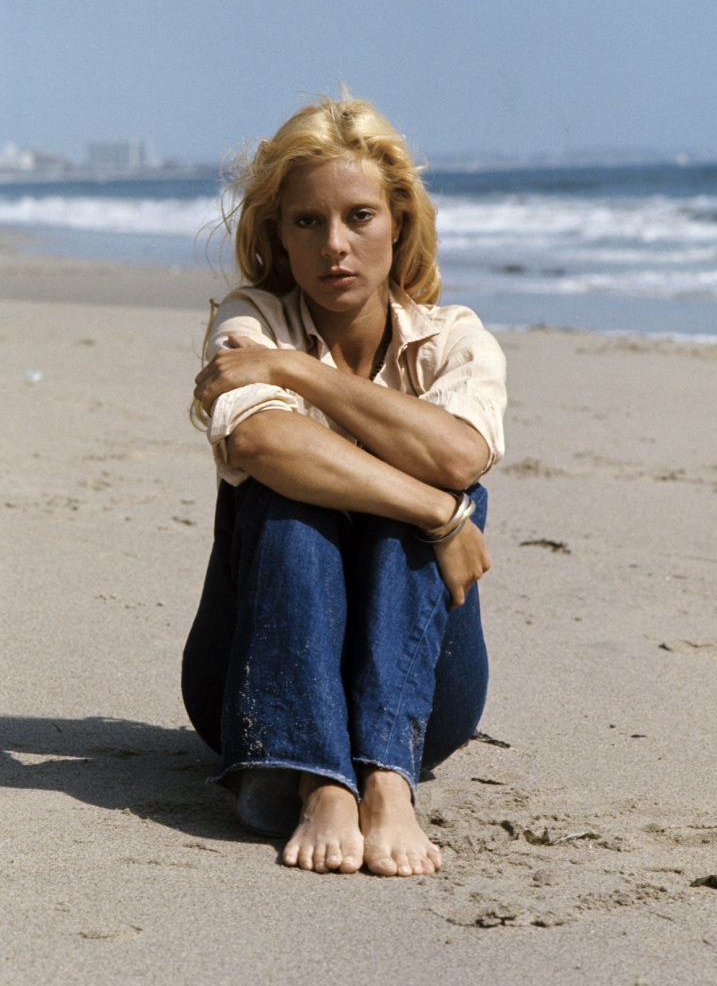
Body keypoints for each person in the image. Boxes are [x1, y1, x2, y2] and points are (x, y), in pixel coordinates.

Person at [184, 96, 507, 877]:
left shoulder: (451, 338)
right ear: (277, 236)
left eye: (359, 217)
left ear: (398, 222)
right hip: (249, 686)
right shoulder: (251, 320)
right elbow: (258, 439)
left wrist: (291, 371)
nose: (334, 245)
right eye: (307, 222)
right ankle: (322, 781)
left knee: (420, 470)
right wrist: (439, 514)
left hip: (423, 704)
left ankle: (386, 778)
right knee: (285, 488)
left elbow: (458, 457)